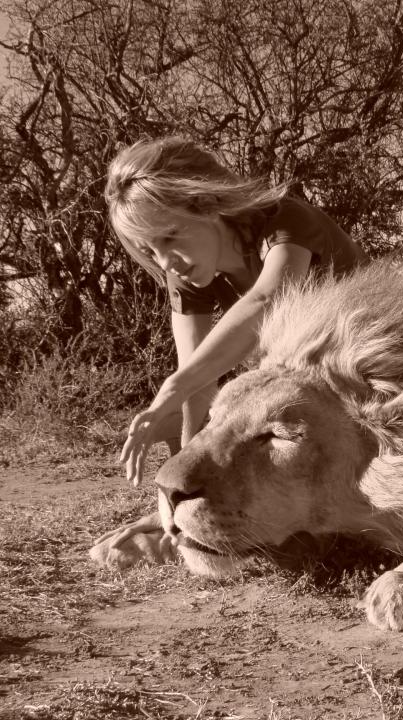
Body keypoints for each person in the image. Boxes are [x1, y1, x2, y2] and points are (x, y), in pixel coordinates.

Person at [90, 136, 368, 567]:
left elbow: (267, 298)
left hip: (363, 382)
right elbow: (197, 385)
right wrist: (182, 493)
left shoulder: (287, 220)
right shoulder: (185, 276)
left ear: (207, 202)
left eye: (169, 236)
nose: (165, 262)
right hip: (297, 392)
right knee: (185, 436)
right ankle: (188, 525)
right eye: (150, 249)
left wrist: (172, 388)